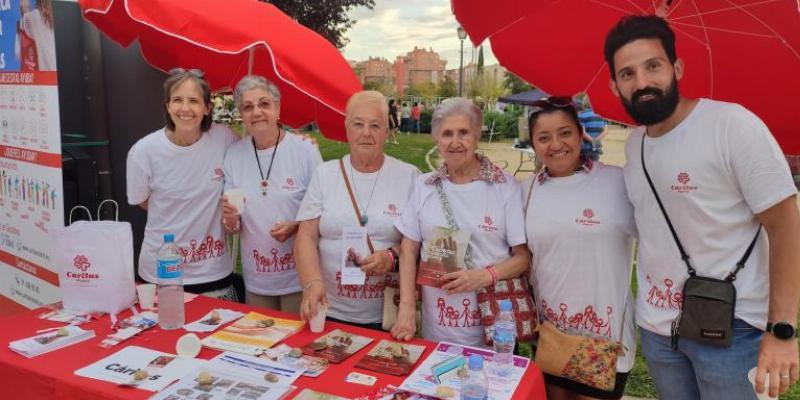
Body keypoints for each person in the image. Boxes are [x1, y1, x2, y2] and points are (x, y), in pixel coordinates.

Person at [605, 15, 800, 399]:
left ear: (676, 67)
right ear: (614, 85)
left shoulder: (731, 126)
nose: (642, 82)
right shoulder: (635, 145)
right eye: (627, 73)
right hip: (659, 331)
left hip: (733, 327)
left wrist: (781, 330)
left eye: (653, 65)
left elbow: (786, 225)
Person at [391, 98, 530, 346]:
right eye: (446, 134)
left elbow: (522, 258)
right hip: (437, 331)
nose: (455, 142)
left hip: (493, 331)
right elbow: (409, 248)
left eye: (463, 133)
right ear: (436, 139)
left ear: (477, 135)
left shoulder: (503, 186)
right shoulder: (425, 185)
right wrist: (407, 307)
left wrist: (483, 276)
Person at [524, 96, 636, 400]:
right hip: (551, 338)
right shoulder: (527, 190)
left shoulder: (618, 183)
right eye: (543, 137)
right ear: (533, 144)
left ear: (580, 133)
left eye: (565, 133)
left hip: (605, 341)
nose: (556, 144)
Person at [294, 90, 420, 330]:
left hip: (386, 316)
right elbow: (306, 235)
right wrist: (312, 283)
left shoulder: (409, 176)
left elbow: (419, 243)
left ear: (387, 129)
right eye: (358, 124)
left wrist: (391, 257)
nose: (366, 133)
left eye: (375, 125)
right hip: (328, 308)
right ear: (346, 127)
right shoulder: (325, 174)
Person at [127, 68, 238, 300]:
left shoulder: (224, 138)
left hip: (214, 272)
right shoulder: (144, 151)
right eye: (177, 100)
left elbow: (257, 152)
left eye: (194, 101)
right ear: (167, 106)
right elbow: (142, 201)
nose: (185, 108)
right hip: (162, 273)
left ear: (208, 108)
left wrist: (297, 141)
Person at [221, 75, 322, 312]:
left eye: (264, 104)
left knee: (297, 344)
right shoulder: (234, 155)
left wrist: (296, 225)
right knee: (260, 341)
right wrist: (230, 218)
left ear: (277, 108)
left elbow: (322, 209)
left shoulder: (304, 151)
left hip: (300, 276)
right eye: (248, 107)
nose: (256, 112)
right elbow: (232, 226)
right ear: (241, 115)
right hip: (257, 279)